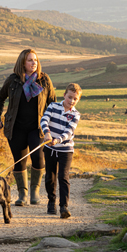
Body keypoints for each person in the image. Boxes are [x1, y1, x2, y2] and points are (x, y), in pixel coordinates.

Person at [0, 49, 56, 206]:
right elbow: (0, 98)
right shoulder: (13, 80)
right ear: (22, 62)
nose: (34, 63)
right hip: (16, 127)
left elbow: (53, 103)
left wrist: (53, 126)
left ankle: (35, 191)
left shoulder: (44, 80)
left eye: (35, 60)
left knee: (38, 158)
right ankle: (22, 194)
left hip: (38, 128)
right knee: (19, 161)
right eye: (30, 60)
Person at [41, 83, 82, 219]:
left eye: (75, 99)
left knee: (63, 177)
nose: (71, 101)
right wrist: (47, 133)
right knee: (50, 177)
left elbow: (69, 132)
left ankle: (64, 206)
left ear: (78, 100)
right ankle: (51, 201)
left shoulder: (76, 114)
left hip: (66, 149)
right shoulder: (53, 106)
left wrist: (58, 140)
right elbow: (44, 119)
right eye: (69, 97)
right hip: (49, 148)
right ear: (64, 95)